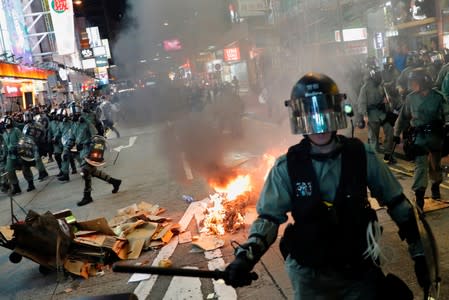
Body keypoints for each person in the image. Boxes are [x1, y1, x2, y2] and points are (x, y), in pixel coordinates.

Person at [224, 73, 429, 299]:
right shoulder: (287, 167)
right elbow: (269, 219)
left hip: (358, 273)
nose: (319, 124)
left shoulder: (361, 155)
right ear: (299, 118)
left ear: (337, 113)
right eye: (311, 116)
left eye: (324, 114)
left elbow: (397, 203)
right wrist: (246, 258)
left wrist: (419, 254)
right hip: (309, 278)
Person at [394, 68, 449, 210]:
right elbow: (402, 117)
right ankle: (419, 196)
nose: (412, 84)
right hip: (419, 137)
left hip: (435, 136)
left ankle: (435, 185)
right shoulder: (411, 98)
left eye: (414, 81)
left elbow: (447, 114)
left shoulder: (438, 97)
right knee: (421, 166)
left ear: (424, 82)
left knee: (435, 165)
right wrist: (396, 133)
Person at [358, 69, 396, 163]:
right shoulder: (365, 88)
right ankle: (374, 159)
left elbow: (387, 98)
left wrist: (387, 102)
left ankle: (388, 154)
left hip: (382, 113)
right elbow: (361, 102)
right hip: (371, 115)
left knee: (390, 131)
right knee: (373, 138)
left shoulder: (381, 86)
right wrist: (364, 115)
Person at [77, 135, 122, 206]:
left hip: (91, 155)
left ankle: (87, 196)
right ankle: (114, 181)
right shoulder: (73, 124)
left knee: (85, 173)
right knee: (93, 172)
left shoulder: (87, 124)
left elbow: (97, 138)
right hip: (82, 154)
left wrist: (87, 143)